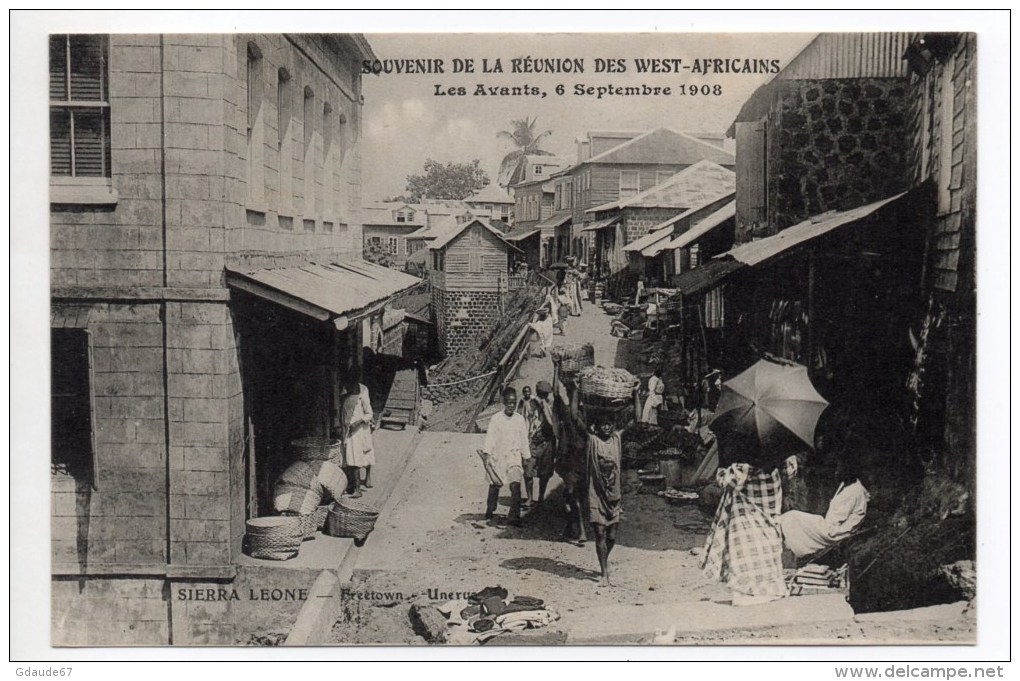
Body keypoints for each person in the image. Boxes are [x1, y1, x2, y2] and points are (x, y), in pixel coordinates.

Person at [700, 445, 788, 605]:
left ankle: (747, 593)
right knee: (767, 552)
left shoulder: (747, 464)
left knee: (747, 552)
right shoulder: (778, 460)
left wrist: (721, 471)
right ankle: (770, 590)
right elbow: (788, 473)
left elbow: (728, 482)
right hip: (769, 512)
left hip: (748, 516)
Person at [571, 401, 624, 587]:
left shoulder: (617, 439)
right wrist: (576, 391)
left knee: (612, 537)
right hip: (596, 493)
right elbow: (575, 419)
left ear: (613, 426)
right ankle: (604, 574)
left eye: (609, 424)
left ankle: (604, 560)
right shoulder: (593, 441)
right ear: (597, 427)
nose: (606, 427)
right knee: (600, 533)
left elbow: (637, 420)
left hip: (613, 496)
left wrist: (635, 393)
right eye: (603, 425)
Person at [780, 458, 870, 558]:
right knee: (793, 518)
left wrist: (814, 522)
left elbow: (834, 521)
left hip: (835, 532)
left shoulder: (852, 493)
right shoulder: (849, 484)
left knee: (792, 517)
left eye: (839, 470)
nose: (836, 473)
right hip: (833, 526)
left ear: (848, 472)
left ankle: (790, 548)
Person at [478, 387, 531, 527]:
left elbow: (524, 439)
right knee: (495, 485)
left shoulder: (519, 420)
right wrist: (487, 454)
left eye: (514, 402)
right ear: (503, 402)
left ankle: (514, 516)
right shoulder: (496, 419)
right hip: (499, 457)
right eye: (509, 402)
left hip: (514, 457)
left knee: (516, 486)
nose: (511, 405)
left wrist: (526, 456)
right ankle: (491, 508)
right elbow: (490, 438)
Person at [340, 376, 376, 498]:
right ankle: (353, 485)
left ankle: (358, 489)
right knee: (351, 458)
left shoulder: (363, 392)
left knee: (358, 457)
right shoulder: (345, 393)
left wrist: (358, 422)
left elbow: (369, 414)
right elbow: (344, 413)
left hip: (360, 430)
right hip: (348, 431)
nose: (348, 387)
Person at [522, 381, 557, 505]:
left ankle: (541, 496)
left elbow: (553, 424)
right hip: (533, 441)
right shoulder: (528, 405)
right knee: (528, 470)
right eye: (541, 393)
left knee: (545, 472)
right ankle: (530, 497)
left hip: (547, 442)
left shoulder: (551, 404)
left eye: (545, 394)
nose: (542, 396)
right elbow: (525, 424)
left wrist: (544, 406)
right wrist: (525, 441)